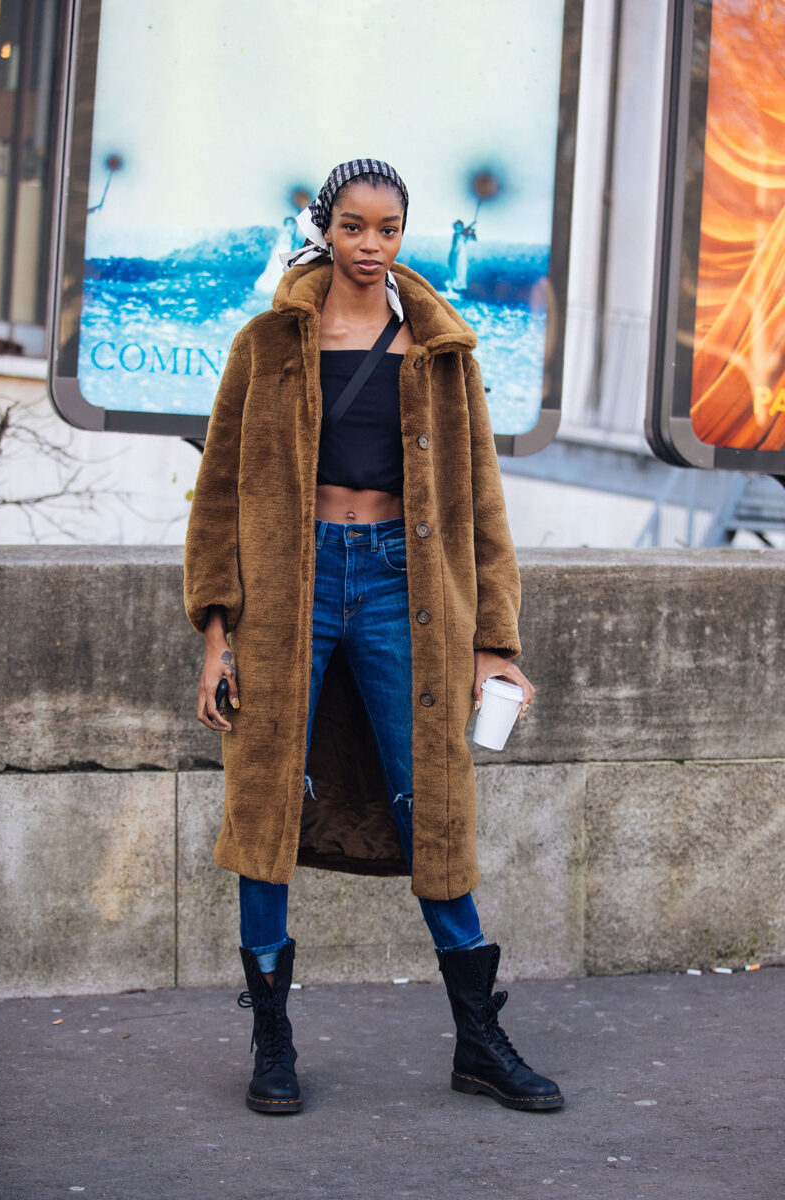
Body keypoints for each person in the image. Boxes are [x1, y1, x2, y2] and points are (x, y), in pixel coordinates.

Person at [183, 158, 563, 1116]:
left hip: (405, 585)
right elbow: (220, 492)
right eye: (354, 226)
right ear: (326, 228)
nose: (371, 244)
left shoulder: (441, 348)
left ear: (404, 233)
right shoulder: (267, 343)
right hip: (291, 586)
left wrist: (496, 641)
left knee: (429, 793)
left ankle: (479, 1042)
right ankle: (273, 1043)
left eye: (388, 227)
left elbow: (480, 501)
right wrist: (215, 634)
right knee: (265, 800)